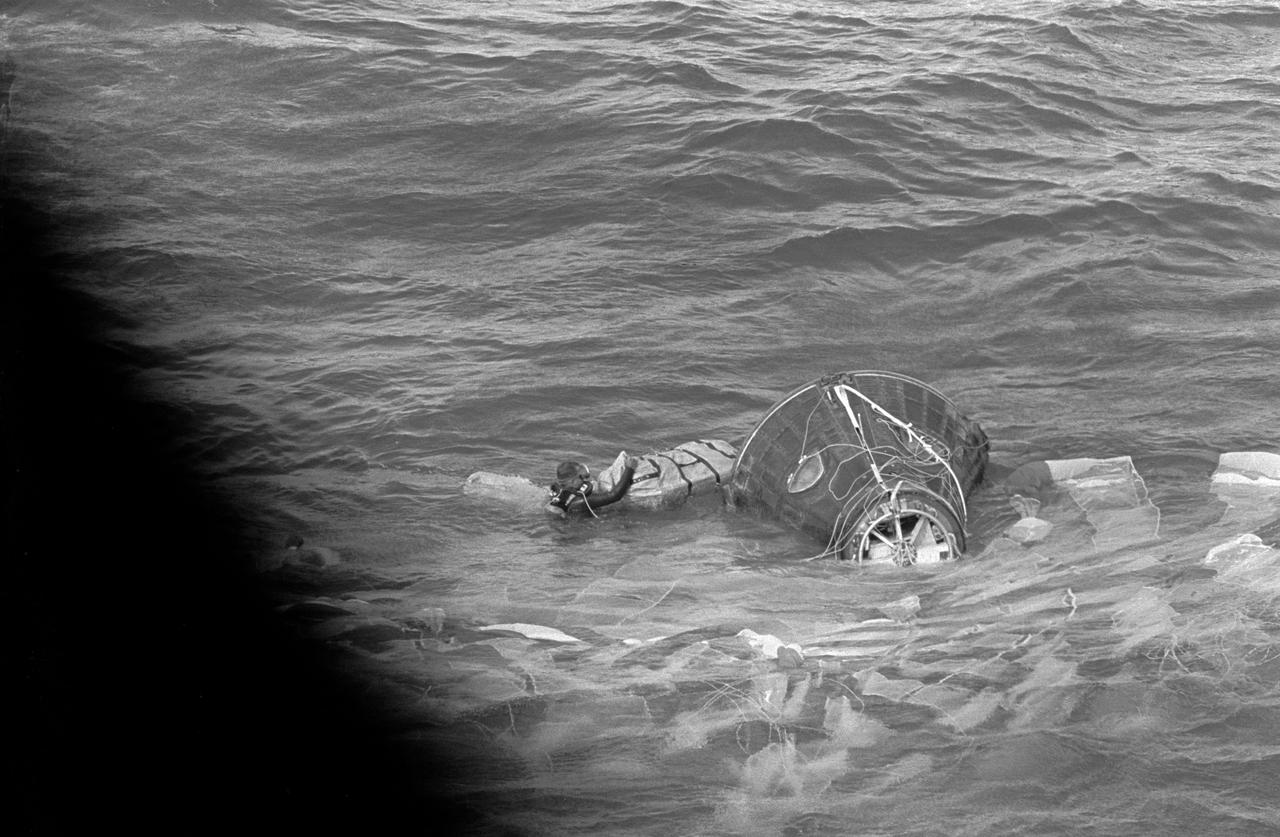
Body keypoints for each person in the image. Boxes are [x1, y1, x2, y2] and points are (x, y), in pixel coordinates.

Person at [545, 455, 638, 517]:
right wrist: (630, 469)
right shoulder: (580, 501)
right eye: (581, 477)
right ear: (572, 481)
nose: (584, 480)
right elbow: (615, 495)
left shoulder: (557, 487)